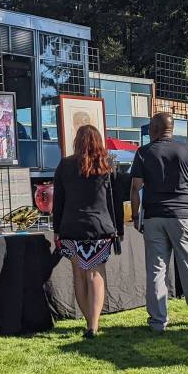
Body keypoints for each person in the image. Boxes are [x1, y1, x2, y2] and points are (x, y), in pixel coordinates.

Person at [130, 113, 188, 332]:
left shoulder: (143, 153)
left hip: (154, 216)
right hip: (182, 216)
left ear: (155, 129)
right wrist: (187, 188)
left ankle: (158, 321)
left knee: (156, 270)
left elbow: (135, 187)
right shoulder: (186, 149)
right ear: (171, 129)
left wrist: (135, 217)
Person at [53, 125, 124, 339]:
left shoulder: (65, 165)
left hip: (71, 227)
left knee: (79, 275)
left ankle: (88, 321)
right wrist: (119, 228)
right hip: (100, 228)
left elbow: (58, 201)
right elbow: (116, 202)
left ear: (77, 141)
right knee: (95, 273)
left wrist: (57, 229)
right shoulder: (108, 165)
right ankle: (93, 324)